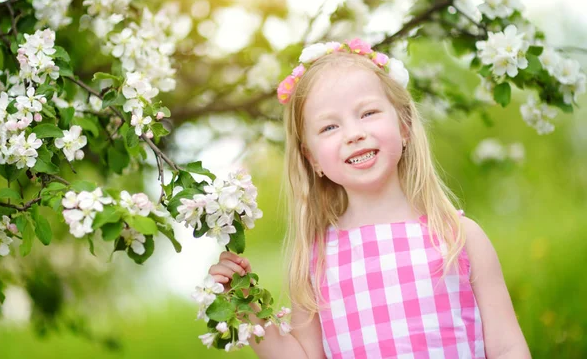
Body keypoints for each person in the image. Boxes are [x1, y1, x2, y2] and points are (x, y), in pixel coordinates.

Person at [208, 39, 530, 358]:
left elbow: (506, 347)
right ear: (312, 158)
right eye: (330, 126)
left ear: (404, 126)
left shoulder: (459, 237)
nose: (353, 133)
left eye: (368, 113)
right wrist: (245, 305)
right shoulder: (315, 259)